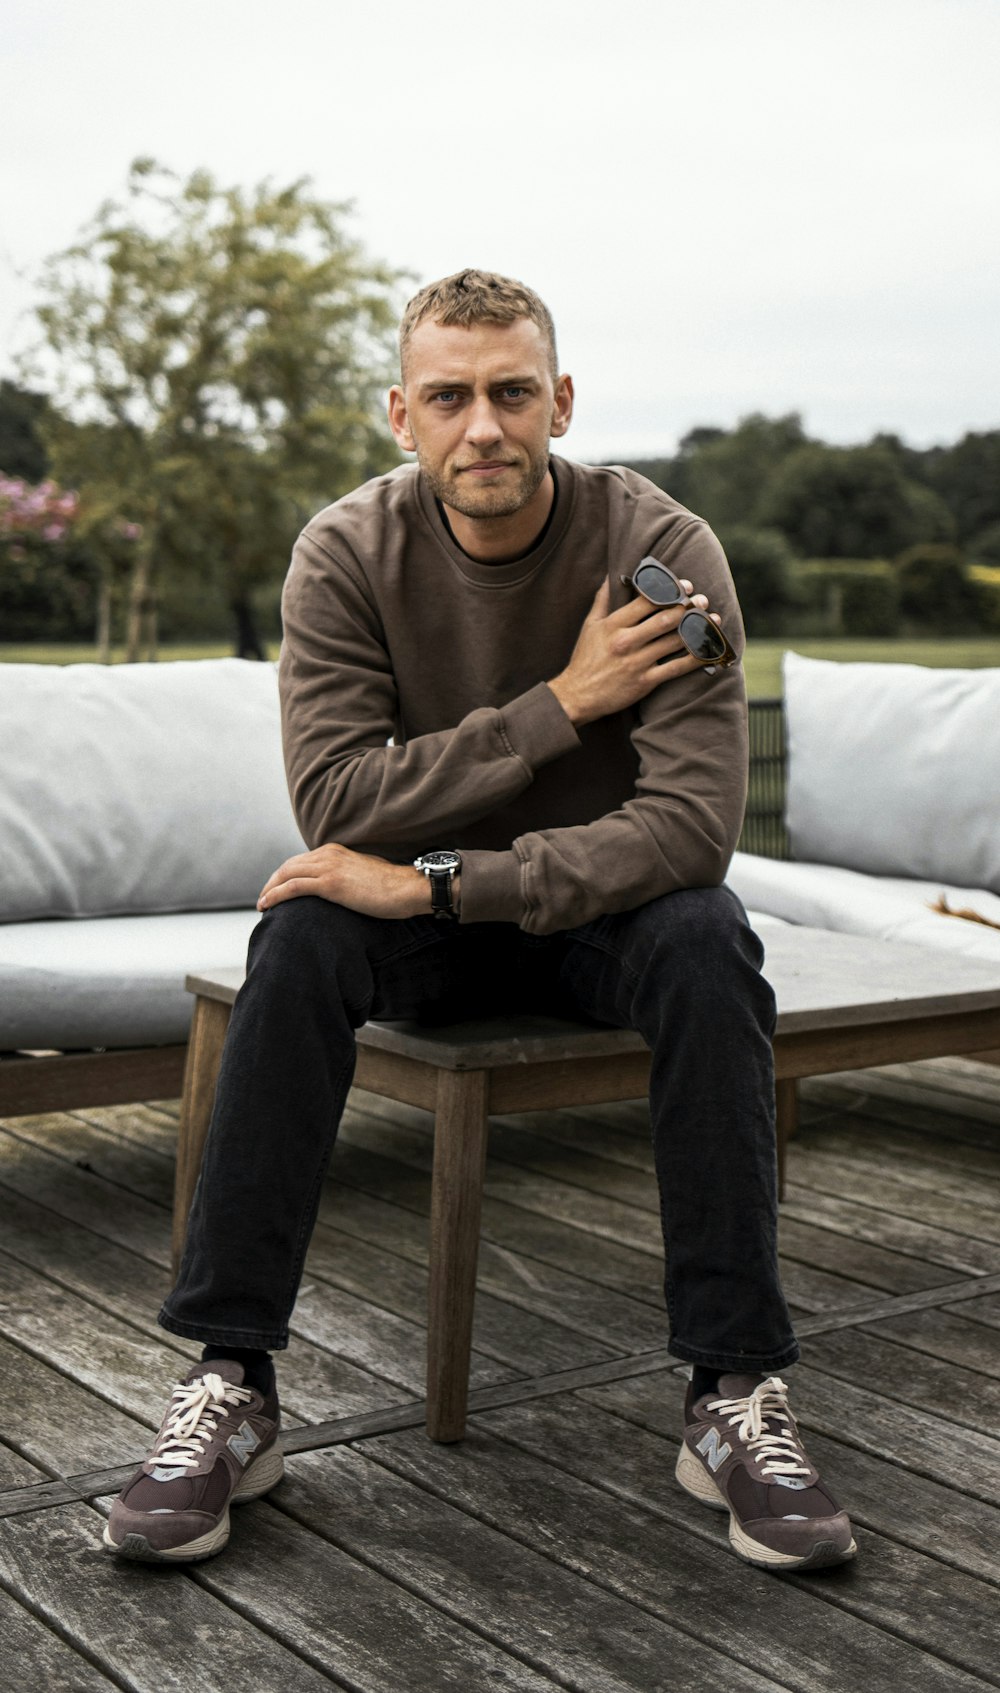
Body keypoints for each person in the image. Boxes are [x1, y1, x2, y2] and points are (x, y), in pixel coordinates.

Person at [104, 269, 856, 1573]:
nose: (485, 426)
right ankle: (234, 1382)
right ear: (401, 415)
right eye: (450, 397)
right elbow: (338, 798)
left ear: (562, 401)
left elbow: (690, 831)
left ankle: (731, 1392)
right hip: (421, 930)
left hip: (599, 918)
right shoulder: (346, 552)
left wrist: (445, 878)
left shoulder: (661, 554)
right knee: (297, 935)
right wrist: (561, 704)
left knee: (709, 932)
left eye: (513, 392)